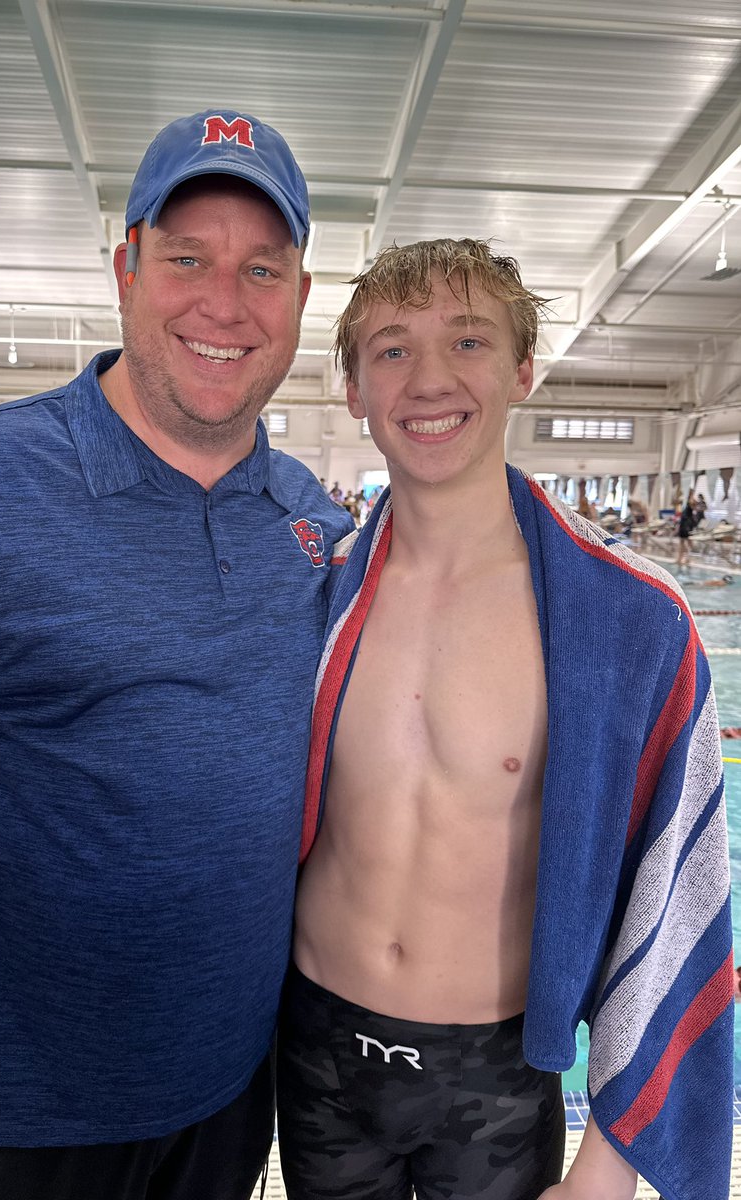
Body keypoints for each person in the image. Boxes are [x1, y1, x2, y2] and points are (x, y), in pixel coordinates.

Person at [0, 109, 354, 1200]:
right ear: (125, 265)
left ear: (303, 300)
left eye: (263, 268)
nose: (225, 302)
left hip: (227, 1094)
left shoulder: (307, 520)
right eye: (187, 258)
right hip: (21, 1116)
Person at [277, 238, 733, 1200]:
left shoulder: (628, 622)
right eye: (392, 348)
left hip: (491, 1075)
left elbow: (678, 888)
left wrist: (606, 1167)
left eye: (469, 340)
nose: (430, 378)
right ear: (353, 388)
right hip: (314, 1049)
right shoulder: (311, 599)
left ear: (525, 369)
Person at [676, 497, 696, 566]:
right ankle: (683, 559)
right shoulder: (688, 511)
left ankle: (682, 559)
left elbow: (689, 522)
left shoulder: (688, 511)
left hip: (685, 530)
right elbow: (687, 522)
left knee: (684, 545)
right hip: (685, 531)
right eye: (694, 505)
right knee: (685, 545)